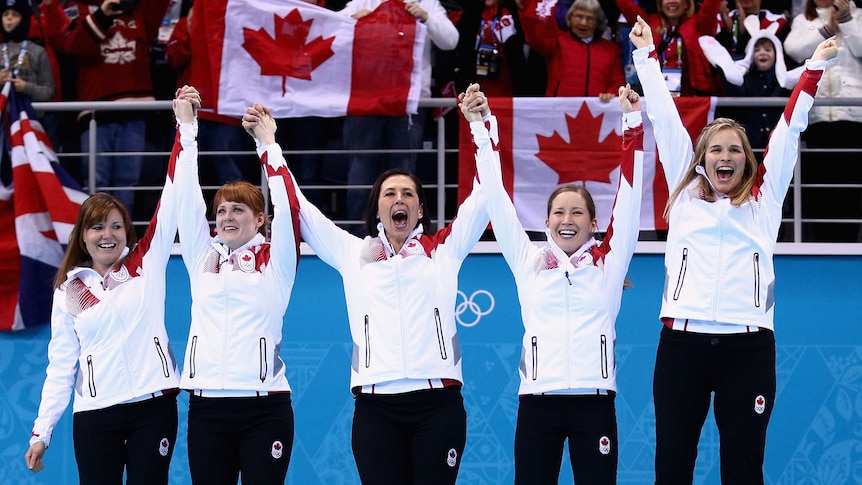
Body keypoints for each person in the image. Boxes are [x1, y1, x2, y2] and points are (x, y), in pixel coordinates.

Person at [628, 15, 837, 483]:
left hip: (749, 349)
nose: (725, 157)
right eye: (716, 149)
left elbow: (787, 132)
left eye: (735, 150)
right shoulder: (684, 196)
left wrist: (813, 71)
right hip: (682, 346)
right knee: (672, 465)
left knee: (744, 468)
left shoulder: (763, 203)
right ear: (702, 158)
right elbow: (663, 119)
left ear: (748, 160)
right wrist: (645, 56)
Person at [241, 92, 490, 485]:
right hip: (376, 407)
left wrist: (480, 125)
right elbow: (297, 206)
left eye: (408, 194)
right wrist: (267, 144)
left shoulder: (443, 250)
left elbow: (486, 195)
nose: (399, 199)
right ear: (377, 208)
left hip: (437, 403)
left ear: (420, 210)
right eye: (390, 194)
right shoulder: (352, 254)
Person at [464, 81, 644, 484]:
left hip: (594, 404)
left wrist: (632, 123)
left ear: (594, 224)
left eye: (577, 213)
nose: (567, 219)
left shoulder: (608, 266)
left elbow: (630, 199)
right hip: (537, 404)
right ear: (545, 223)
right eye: (559, 212)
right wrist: (480, 127)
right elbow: (495, 198)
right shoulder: (528, 260)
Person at [22, 89, 196, 484]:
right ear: (83, 236)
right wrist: (41, 432)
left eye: (116, 226)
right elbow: (61, 366)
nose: (107, 235)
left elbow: (173, 192)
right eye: (97, 226)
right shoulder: (68, 292)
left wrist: (186, 127)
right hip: (95, 415)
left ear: (127, 233)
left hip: (153, 408)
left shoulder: (145, 263)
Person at [175, 87, 301, 484]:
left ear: (259, 219)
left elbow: (288, 205)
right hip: (206, 407)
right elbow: (185, 198)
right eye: (222, 210)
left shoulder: (275, 262)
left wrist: (268, 145)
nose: (227, 216)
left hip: (266, 408)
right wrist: (187, 127)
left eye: (239, 209)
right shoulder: (202, 258)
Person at [39, 0, 171, 221]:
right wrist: (103, 14)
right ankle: (96, 235)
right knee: (96, 181)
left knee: (127, 181)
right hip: (95, 112)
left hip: (135, 109)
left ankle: (123, 240)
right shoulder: (78, 8)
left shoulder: (139, 9)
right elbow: (74, 48)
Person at [339, 0, 459, 234]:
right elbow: (329, 29)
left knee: (403, 175)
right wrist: (350, 22)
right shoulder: (362, 1)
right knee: (361, 174)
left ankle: (404, 237)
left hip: (408, 104)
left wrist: (426, 17)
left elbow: (450, 40)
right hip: (366, 103)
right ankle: (358, 238)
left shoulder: (427, 3)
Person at [783, 0, 862, 241]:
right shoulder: (803, 20)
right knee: (820, 189)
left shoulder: (858, 16)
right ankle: (822, 241)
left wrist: (846, 20)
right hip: (817, 118)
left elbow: (860, 48)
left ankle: (849, 243)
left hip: (852, 117)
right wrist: (827, 27)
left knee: (850, 189)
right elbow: (794, 49)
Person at [699, 16, 802, 148]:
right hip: (752, 145)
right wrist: (727, 70)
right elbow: (734, 92)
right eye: (757, 50)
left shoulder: (784, 81)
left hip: (779, 145)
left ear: (777, 53)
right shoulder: (745, 79)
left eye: (768, 49)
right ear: (750, 54)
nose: (762, 53)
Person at [521, 0, 625, 100]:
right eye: (579, 17)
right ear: (570, 19)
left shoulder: (611, 49)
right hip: (559, 111)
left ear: (598, 23)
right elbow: (533, 36)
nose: (583, 23)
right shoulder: (556, 42)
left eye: (590, 19)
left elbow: (617, 82)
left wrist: (610, 94)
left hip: (598, 112)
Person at [616, 0, 724, 95]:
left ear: (687, 3)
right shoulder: (650, 23)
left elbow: (711, 5)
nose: (671, 1)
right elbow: (627, 6)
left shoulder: (699, 23)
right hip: (658, 93)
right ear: (660, 4)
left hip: (692, 95)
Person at [0, 0, 55, 102]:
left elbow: (48, 92)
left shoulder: (38, 51)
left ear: (24, 19)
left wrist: (26, 88)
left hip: (31, 114)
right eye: (5, 14)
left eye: (15, 14)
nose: (9, 18)